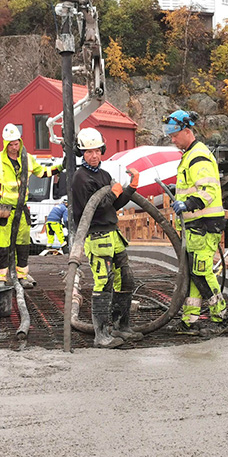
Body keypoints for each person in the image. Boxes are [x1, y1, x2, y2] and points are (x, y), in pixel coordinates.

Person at [71, 127, 141, 348]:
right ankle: (101, 335)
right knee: (103, 283)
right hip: (96, 236)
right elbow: (95, 208)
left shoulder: (103, 175)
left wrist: (130, 188)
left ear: (102, 150)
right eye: (89, 152)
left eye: (97, 151)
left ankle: (122, 326)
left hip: (113, 234)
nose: (94, 155)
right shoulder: (80, 178)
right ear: (81, 153)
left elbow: (114, 204)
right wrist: (113, 192)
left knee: (125, 278)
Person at [162, 109, 228, 337]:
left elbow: (208, 190)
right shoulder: (189, 155)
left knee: (202, 273)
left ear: (187, 131)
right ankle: (190, 319)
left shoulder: (198, 157)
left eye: (174, 135)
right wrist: (179, 194)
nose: (172, 140)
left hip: (204, 225)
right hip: (194, 227)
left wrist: (187, 204)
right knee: (193, 273)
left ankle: (221, 317)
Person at [0, 123, 62, 289]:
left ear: (20, 142)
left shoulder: (28, 159)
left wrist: (59, 168)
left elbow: (42, 173)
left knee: (22, 245)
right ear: (5, 144)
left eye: (16, 143)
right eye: (10, 144)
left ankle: (21, 276)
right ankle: (1, 279)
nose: (14, 147)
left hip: (21, 209)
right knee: (2, 245)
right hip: (2, 210)